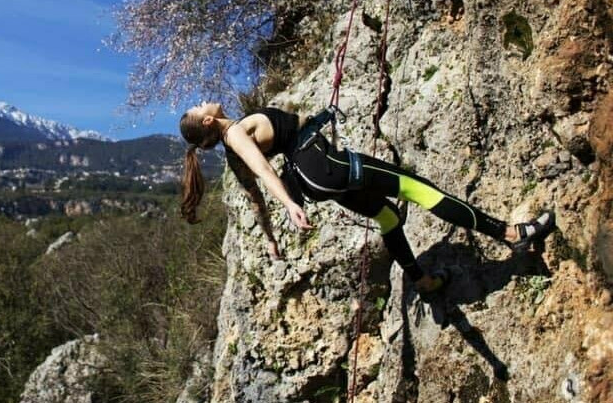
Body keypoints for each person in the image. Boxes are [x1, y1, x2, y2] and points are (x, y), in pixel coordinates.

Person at [179, 102, 556, 293]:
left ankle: (422, 281)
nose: (203, 100)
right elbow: (263, 170)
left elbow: (255, 199)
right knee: (420, 190)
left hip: (317, 179)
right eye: (198, 108)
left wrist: (272, 240)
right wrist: (291, 205)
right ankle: (512, 234)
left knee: (389, 217)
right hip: (321, 165)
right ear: (208, 121)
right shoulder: (237, 135)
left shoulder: (231, 150)